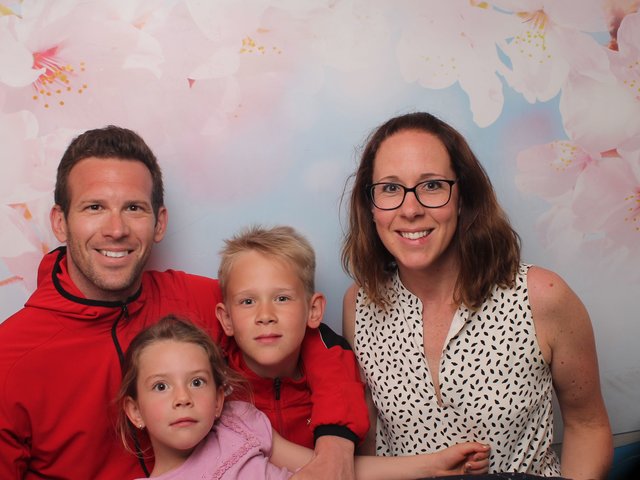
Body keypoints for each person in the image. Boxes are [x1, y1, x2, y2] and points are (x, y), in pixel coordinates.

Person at [0, 125, 367, 480]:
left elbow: (308, 335)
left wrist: (335, 445)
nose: (116, 229)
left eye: (134, 208)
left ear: (159, 223)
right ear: (60, 222)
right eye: (94, 207)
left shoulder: (196, 299)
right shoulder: (11, 357)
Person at [341, 112, 613, 479]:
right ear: (370, 205)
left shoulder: (542, 296)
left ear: (462, 197)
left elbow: (587, 426)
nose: (410, 209)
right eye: (390, 188)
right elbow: (369, 445)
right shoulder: (360, 304)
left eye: (432, 185)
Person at [117, 314, 491, 479]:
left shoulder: (237, 423)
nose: (182, 397)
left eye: (197, 382)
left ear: (218, 400)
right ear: (135, 411)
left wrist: (431, 465)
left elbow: (333, 470)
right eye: (161, 386)